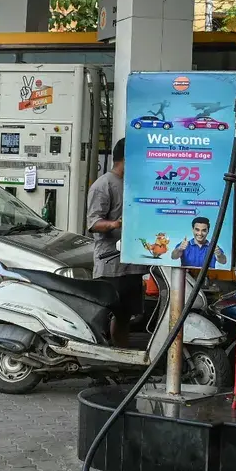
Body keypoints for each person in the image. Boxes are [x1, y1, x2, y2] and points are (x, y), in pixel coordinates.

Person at [87, 139, 148, 348]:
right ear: (126, 159)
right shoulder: (103, 186)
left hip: (132, 263)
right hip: (110, 264)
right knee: (104, 314)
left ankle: (121, 354)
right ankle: (100, 356)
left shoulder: (134, 184)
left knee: (125, 315)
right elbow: (93, 223)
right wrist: (115, 223)